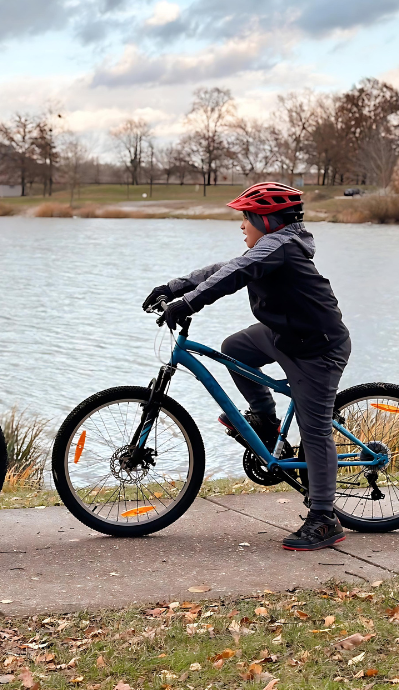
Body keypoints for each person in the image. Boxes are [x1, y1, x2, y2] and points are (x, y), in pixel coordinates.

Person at [142, 182, 351, 551]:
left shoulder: (280, 247)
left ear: (266, 220)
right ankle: (268, 424)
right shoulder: (270, 247)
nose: (241, 225)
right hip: (284, 335)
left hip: (317, 349)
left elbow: (237, 272)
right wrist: (173, 288)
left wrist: (188, 304)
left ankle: (324, 518)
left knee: (314, 430)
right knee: (234, 348)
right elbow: (224, 268)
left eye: (245, 218)